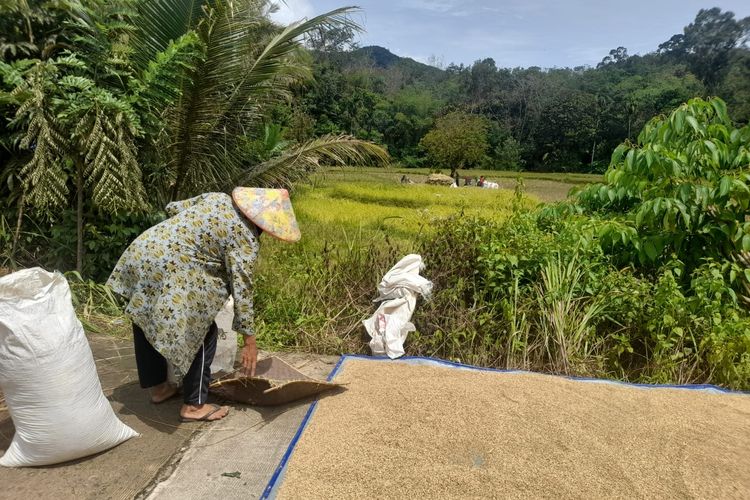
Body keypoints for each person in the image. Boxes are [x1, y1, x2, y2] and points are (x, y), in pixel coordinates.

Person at [107, 188, 301, 422]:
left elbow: (173, 208)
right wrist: (249, 340)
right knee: (203, 332)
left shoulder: (217, 198)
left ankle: (159, 388)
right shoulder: (246, 238)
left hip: (144, 251)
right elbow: (243, 289)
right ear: (266, 226)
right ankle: (194, 406)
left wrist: (188, 237)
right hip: (173, 268)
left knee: (144, 314)